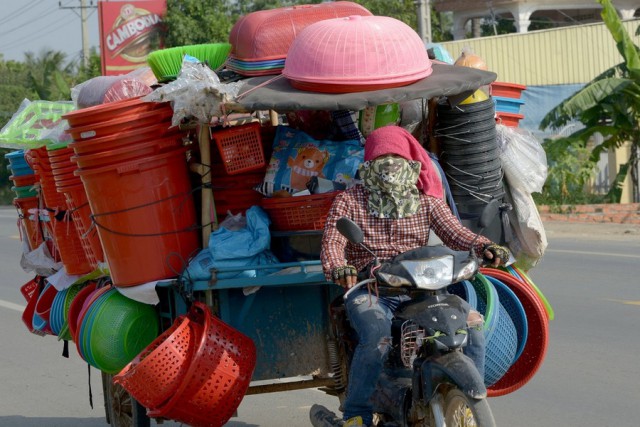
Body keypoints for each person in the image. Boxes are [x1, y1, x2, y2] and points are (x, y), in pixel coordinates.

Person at [320, 125, 509, 427]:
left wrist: (484, 246)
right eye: (382, 159)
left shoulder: (426, 201)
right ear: (369, 164)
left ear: (410, 163)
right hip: (373, 290)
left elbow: (456, 232)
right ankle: (357, 414)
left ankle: (465, 395)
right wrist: (339, 266)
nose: (390, 166)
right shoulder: (349, 201)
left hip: (423, 291)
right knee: (377, 335)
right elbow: (332, 242)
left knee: (471, 324)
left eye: (396, 157)